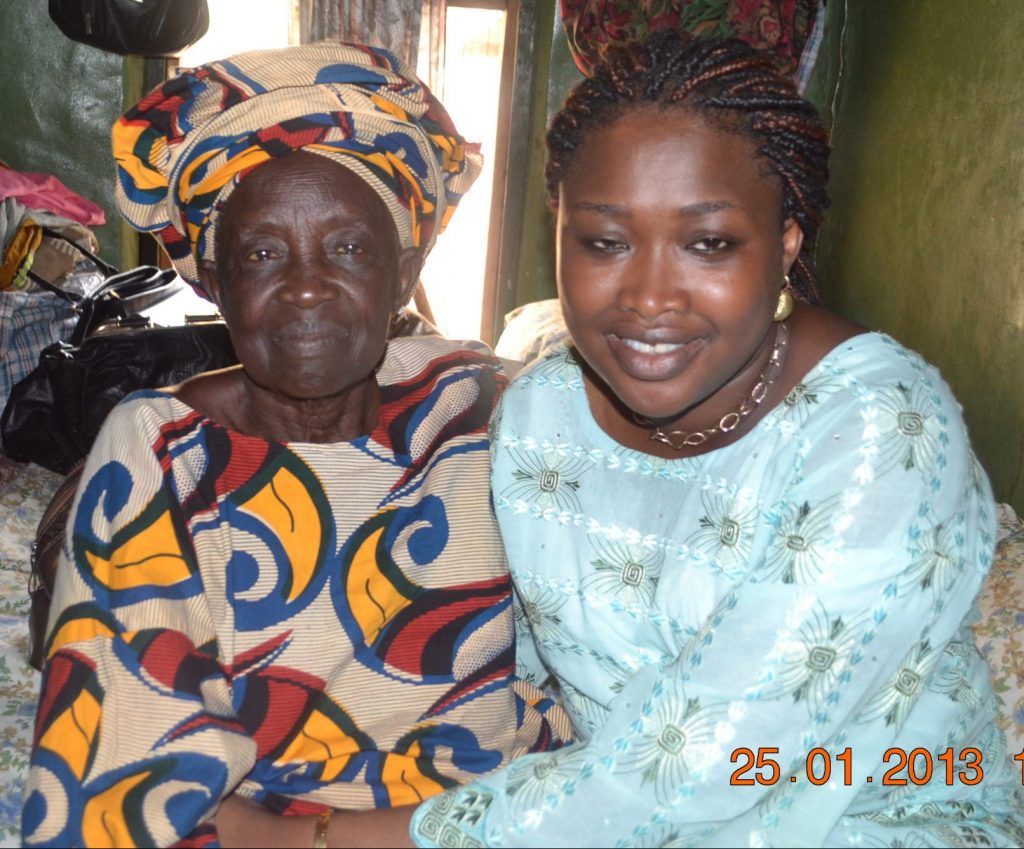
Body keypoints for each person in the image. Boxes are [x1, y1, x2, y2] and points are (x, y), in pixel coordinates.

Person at [405, 31, 1024, 847]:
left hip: (880, 812)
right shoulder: (538, 413)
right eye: (605, 242)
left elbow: (708, 761)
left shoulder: (881, 432)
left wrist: (348, 837)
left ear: (787, 245)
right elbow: (510, 658)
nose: (651, 297)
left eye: (709, 244)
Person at [21, 42, 570, 848]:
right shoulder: (165, 452)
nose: (307, 285)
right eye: (262, 254)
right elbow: (122, 767)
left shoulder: (483, 406)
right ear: (215, 284)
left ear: (404, 265)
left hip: (502, 812)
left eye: (348, 247)